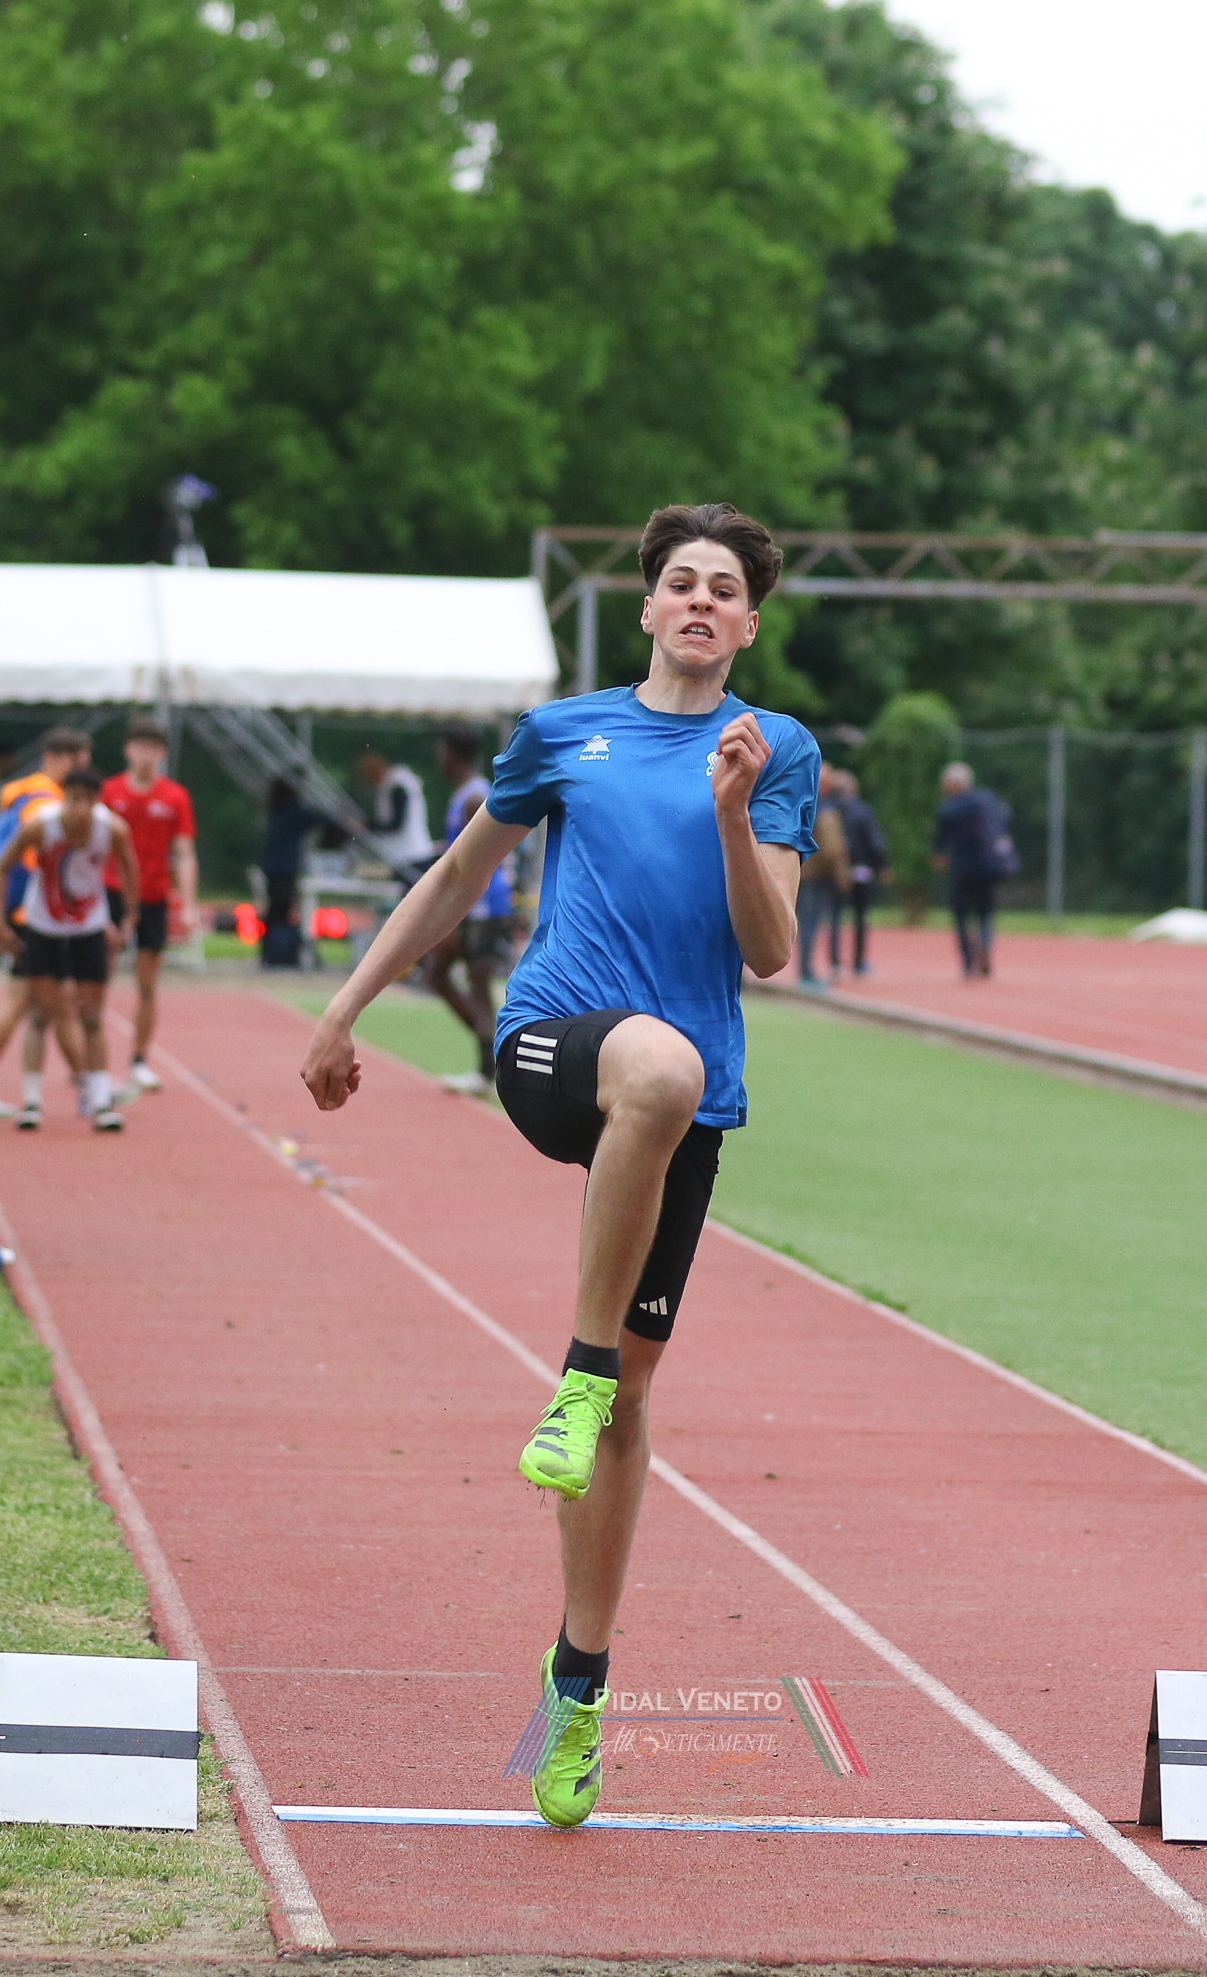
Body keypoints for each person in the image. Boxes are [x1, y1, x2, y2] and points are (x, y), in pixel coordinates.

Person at [301, 502, 817, 1831]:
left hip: (688, 1099)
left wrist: (731, 810)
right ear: (647, 607)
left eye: (725, 590)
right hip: (553, 1041)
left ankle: (578, 1683)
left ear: (749, 625)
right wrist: (345, 1009)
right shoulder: (563, 734)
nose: (700, 602)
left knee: (636, 1402)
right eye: (681, 582)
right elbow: (453, 878)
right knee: (655, 1073)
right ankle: (575, 1376)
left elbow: (769, 949)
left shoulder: (773, 750)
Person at [0, 769, 139, 1133]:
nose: (80, 809)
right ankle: (32, 1101)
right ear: (64, 797)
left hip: (89, 927)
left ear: (97, 802)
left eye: (88, 801)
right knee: (40, 1013)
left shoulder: (111, 829)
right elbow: (1, 868)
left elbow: (130, 867)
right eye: (74, 799)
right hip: (43, 926)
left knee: (92, 1016)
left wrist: (129, 917)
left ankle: (100, 1102)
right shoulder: (40, 826)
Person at [0, 729, 89, 1122]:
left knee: (45, 1004)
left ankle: (89, 1086)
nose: (83, 775)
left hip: (27, 916)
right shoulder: (45, 802)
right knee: (38, 1002)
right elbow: (34, 857)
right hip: (33, 917)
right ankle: (91, 1088)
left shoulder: (24, 793)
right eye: (78, 763)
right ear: (57, 758)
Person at [101, 720, 196, 1094]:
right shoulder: (109, 792)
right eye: (139, 747)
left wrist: (188, 904)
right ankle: (93, 1062)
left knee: (147, 984)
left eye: (152, 749)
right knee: (98, 979)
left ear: (162, 754)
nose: (145, 755)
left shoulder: (175, 797)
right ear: (128, 750)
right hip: (111, 892)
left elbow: (184, 852)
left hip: (153, 896)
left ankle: (139, 1060)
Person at [421, 729, 514, 1089]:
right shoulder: (464, 794)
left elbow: (484, 854)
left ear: (453, 753)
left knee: (478, 984)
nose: (438, 760)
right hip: (469, 903)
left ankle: (490, 1067)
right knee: (437, 974)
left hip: (483, 905)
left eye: (442, 752)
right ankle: (490, 1051)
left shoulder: (475, 797)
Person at [933, 760, 1010, 978]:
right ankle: (985, 943)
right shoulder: (987, 800)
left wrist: (939, 857)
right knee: (985, 911)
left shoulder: (949, 807)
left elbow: (940, 842)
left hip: (963, 866)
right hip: (989, 865)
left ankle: (968, 960)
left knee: (961, 913)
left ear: (952, 784)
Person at [257, 777, 324, 969]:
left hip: (273, 866)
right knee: (281, 910)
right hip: (285, 868)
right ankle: (280, 951)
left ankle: (270, 951)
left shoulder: (276, 810)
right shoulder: (292, 812)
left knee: (275, 911)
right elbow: (318, 818)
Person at [794, 766, 851, 988]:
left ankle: (805, 970)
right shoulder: (825, 808)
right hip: (816, 875)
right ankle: (806, 973)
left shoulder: (798, 803)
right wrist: (841, 874)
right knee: (810, 923)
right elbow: (832, 848)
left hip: (799, 871)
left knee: (804, 923)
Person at [831, 767, 887, 976]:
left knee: (835, 916)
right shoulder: (862, 810)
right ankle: (858, 961)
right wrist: (882, 865)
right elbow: (874, 842)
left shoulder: (827, 809)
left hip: (835, 872)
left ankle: (835, 962)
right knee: (861, 917)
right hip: (861, 870)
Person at [359, 747, 440, 887]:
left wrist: (369, 825)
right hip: (412, 853)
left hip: (410, 854)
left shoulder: (396, 786)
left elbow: (396, 823)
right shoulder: (401, 783)